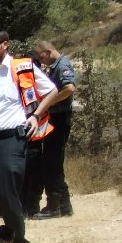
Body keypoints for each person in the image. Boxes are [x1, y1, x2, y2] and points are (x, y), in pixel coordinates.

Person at [0, 28, 58, 243]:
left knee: (7, 193)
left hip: (12, 139)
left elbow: (52, 90)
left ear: (5, 45)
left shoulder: (23, 67)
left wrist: (36, 115)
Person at [31, 40, 77, 218]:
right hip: (54, 118)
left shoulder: (62, 65)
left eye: (41, 56)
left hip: (59, 118)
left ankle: (54, 206)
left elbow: (69, 88)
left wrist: (49, 102)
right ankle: (64, 205)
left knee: (52, 162)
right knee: (53, 162)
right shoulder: (54, 66)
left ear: (49, 52)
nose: (41, 60)